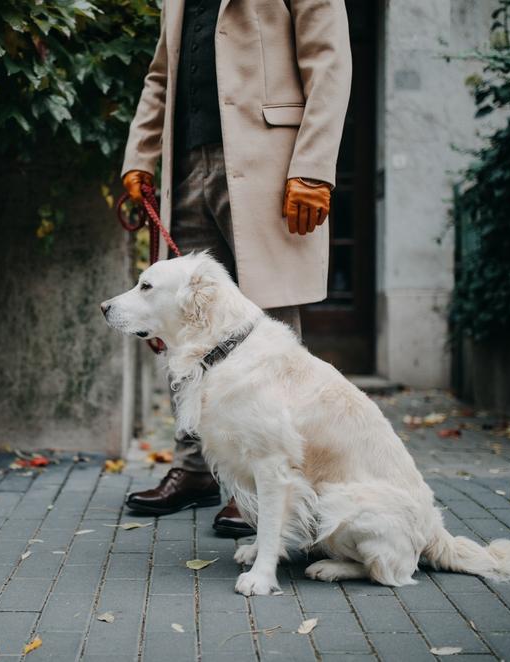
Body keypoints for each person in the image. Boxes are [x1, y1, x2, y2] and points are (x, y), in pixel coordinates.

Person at [120, 0, 352, 536]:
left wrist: (314, 168)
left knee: (267, 321)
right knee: (186, 325)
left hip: (270, 163)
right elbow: (161, 75)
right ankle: (196, 469)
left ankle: (264, 483)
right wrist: (140, 155)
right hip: (188, 165)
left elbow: (329, 60)